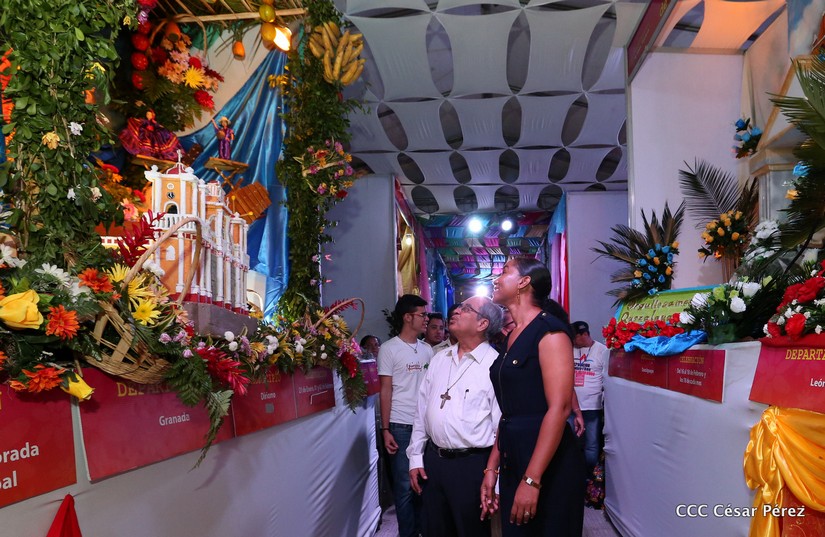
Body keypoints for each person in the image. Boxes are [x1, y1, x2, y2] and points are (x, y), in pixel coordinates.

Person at [482, 257, 585, 535]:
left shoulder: (550, 331)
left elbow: (559, 408)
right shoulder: (512, 335)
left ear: (524, 282)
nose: (496, 279)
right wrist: (491, 467)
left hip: (546, 459)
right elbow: (509, 411)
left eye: (504, 271)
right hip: (513, 454)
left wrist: (532, 479)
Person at [408, 296, 503, 537]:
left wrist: (496, 479)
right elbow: (421, 411)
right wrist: (416, 457)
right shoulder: (440, 359)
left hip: (472, 466)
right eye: (459, 307)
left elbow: (501, 428)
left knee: (471, 530)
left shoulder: (495, 365)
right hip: (433, 462)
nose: (456, 311)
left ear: (482, 324)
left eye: (466, 309)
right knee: (434, 530)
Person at [378, 294, 433, 537]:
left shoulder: (427, 349)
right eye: (422, 315)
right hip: (401, 425)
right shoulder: (389, 349)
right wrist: (386, 429)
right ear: (408, 317)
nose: (426, 319)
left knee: (424, 484)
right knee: (404, 488)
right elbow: (385, 390)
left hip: (426, 427)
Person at [570, 321, 608, 473]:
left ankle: (590, 476)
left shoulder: (602, 351)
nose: (573, 340)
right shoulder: (570, 349)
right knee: (571, 443)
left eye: (575, 337)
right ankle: (574, 474)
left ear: (585, 334)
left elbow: (607, 379)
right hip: (572, 406)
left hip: (592, 406)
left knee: (591, 444)